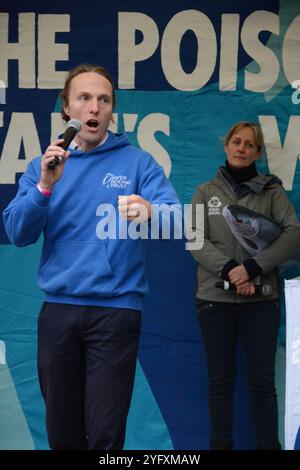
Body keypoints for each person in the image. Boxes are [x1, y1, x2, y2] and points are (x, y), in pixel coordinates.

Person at [3, 64, 180, 450]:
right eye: (84, 98)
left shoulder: (137, 163)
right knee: (62, 435)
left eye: (103, 100)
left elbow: (178, 220)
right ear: (66, 109)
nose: (94, 107)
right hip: (59, 313)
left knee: (105, 436)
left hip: (116, 314)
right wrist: (44, 189)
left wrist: (151, 210)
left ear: (111, 111)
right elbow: (17, 232)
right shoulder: (43, 166)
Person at [188, 121, 300, 450]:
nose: (241, 149)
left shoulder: (272, 192)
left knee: (263, 383)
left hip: (261, 301)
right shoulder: (205, 192)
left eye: (250, 145)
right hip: (214, 300)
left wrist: (252, 268)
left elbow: (294, 233)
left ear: (258, 152)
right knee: (221, 382)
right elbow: (195, 240)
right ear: (226, 147)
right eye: (236, 142)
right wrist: (231, 271)